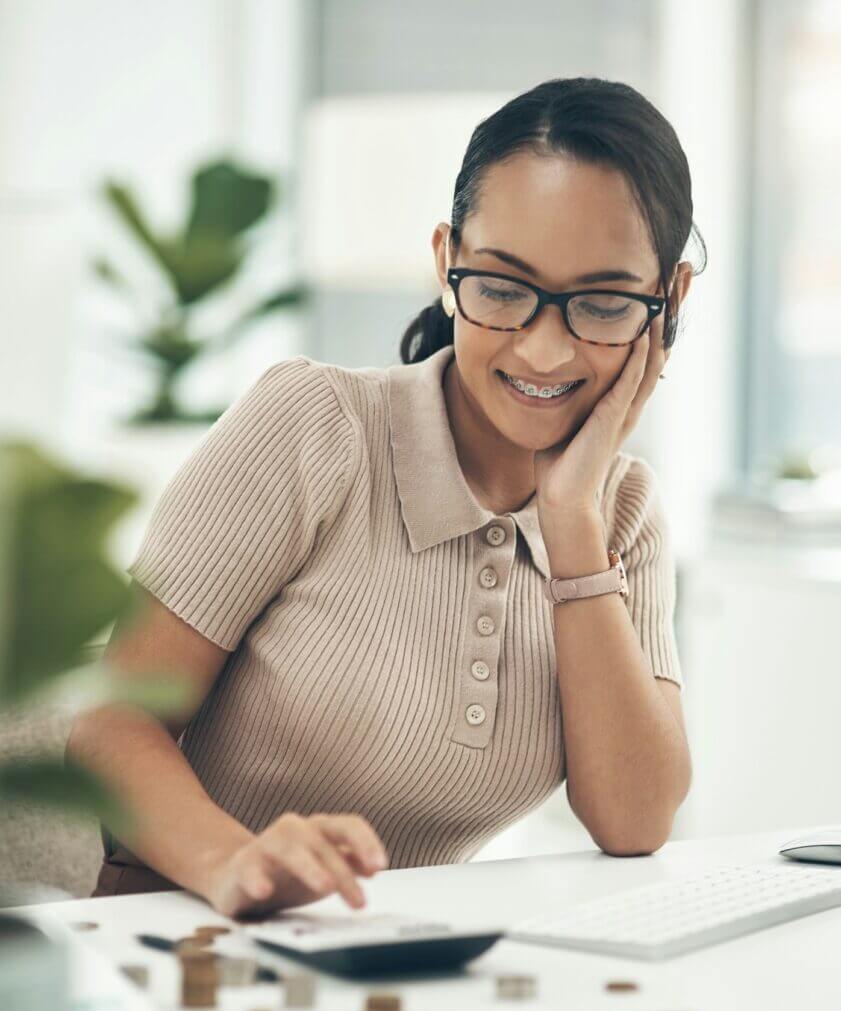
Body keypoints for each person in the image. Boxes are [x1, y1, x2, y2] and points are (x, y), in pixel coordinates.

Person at [67, 76, 705, 920]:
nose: (544, 351)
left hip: (409, 967)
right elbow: (109, 727)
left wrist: (571, 523)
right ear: (447, 262)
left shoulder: (618, 511)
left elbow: (633, 821)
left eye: (600, 303)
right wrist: (239, 866)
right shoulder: (315, 426)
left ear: (669, 304)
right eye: (503, 289)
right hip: (185, 937)